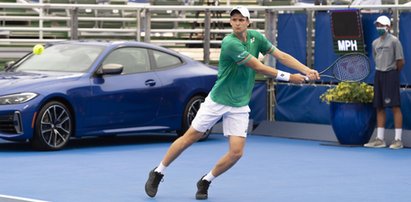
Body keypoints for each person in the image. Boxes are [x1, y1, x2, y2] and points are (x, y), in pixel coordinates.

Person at [144, 6, 320, 200]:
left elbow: (282, 56)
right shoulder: (229, 42)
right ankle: (158, 172)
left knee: (236, 153)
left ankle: (206, 180)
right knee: (190, 137)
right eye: (234, 19)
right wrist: (289, 77)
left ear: (248, 22)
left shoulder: (256, 38)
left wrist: (306, 70)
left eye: (241, 19)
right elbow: (257, 66)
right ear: (230, 22)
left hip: (239, 104)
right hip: (217, 100)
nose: (237, 22)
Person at [364, 15, 405, 149]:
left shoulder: (394, 41)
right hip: (378, 75)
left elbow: (400, 61)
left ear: (388, 27)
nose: (379, 28)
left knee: (395, 106)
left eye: (382, 25)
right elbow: (376, 58)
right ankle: (380, 139)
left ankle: (398, 140)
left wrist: (392, 73)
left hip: (391, 75)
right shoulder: (374, 43)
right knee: (379, 106)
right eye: (377, 25)